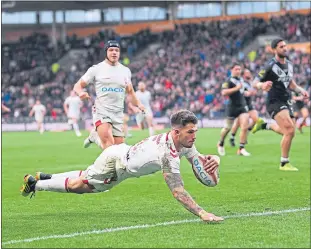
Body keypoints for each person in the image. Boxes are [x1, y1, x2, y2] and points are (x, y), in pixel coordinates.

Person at [20, 110, 223, 223]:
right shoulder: (168, 154)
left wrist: (215, 160)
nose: (194, 136)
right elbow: (178, 191)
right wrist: (202, 213)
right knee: (81, 187)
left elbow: (200, 166)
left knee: (85, 175)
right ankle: (35, 185)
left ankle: (46, 177)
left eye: (195, 131)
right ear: (177, 132)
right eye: (190, 132)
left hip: (121, 151)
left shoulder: (184, 143)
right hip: (117, 165)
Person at [73, 40, 145, 150]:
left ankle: (95, 137)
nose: (114, 52)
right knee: (108, 143)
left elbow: (130, 92)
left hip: (118, 113)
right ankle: (99, 139)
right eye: (111, 50)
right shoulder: (96, 69)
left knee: (119, 149)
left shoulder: (125, 71)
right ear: (106, 52)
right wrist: (80, 93)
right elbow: (77, 86)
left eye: (117, 50)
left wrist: (139, 104)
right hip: (102, 111)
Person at [251, 38, 309, 171]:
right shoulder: (269, 66)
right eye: (281, 46)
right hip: (274, 101)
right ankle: (284, 163)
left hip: (287, 100)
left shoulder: (289, 64)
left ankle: (265, 125)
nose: (285, 48)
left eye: (285, 46)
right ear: (274, 49)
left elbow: (290, 83)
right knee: (289, 130)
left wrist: (301, 90)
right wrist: (262, 85)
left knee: (289, 132)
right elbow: (255, 81)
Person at [217, 63, 251, 157]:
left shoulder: (241, 80)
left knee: (245, 126)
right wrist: (236, 88)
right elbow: (224, 92)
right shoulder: (228, 81)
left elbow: (241, 91)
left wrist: (246, 92)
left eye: (239, 69)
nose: (238, 71)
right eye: (236, 69)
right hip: (232, 107)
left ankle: (241, 148)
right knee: (227, 128)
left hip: (242, 106)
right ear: (231, 70)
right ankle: (221, 142)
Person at [230, 69, 258, 147]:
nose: (249, 73)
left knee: (256, 119)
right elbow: (243, 93)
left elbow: (254, 91)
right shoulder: (242, 82)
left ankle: (245, 135)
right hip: (242, 104)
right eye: (247, 73)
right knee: (239, 122)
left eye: (249, 72)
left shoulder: (250, 82)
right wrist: (249, 93)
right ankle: (232, 136)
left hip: (249, 104)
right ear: (244, 75)